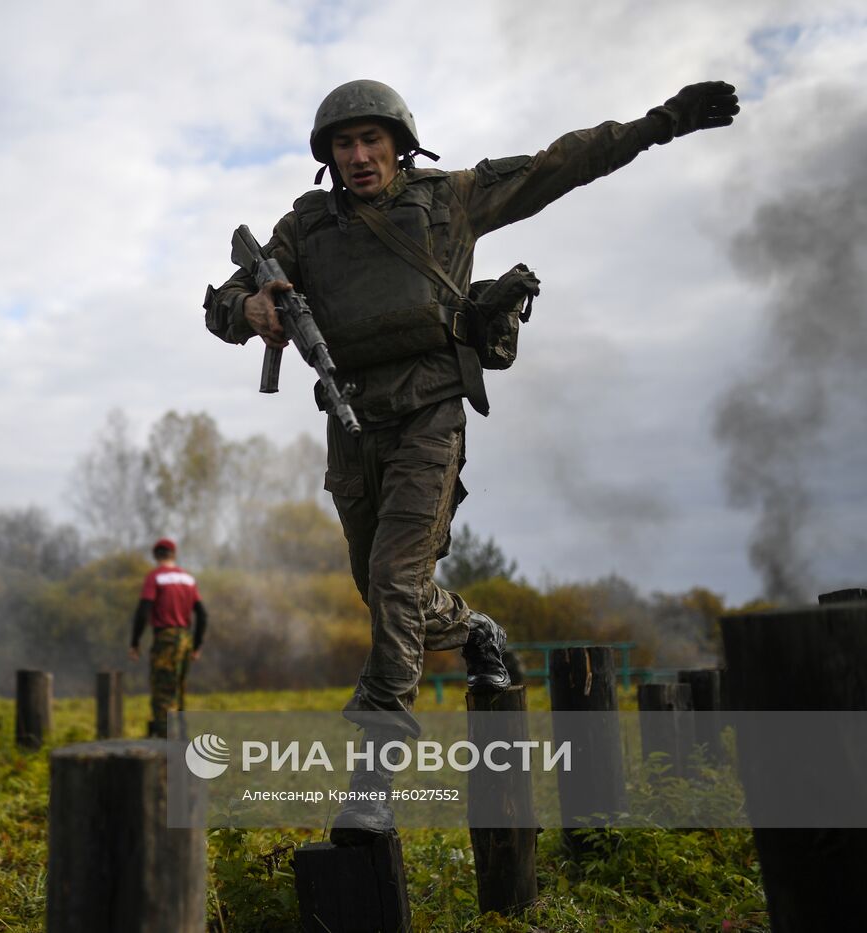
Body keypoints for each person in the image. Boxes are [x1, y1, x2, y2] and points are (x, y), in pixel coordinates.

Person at [203, 78, 738, 841]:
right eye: (344, 145)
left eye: (371, 141)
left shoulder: (451, 198)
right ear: (329, 156)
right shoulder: (305, 227)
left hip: (431, 414)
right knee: (389, 591)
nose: (359, 157)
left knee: (393, 579)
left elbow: (565, 161)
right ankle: (476, 628)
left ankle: (373, 777)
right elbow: (223, 301)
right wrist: (250, 310)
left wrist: (663, 122)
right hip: (352, 426)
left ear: (399, 143)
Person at [128, 538, 208, 738]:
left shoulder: (155, 577)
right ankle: (182, 744)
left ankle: (165, 751)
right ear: (174, 555)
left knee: (163, 694)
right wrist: (196, 645)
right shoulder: (188, 579)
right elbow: (203, 614)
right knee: (179, 694)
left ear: (156, 556)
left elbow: (143, 610)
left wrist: (135, 641)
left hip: (166, 640)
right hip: (185, 639)